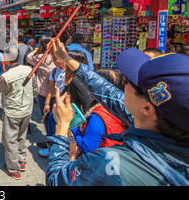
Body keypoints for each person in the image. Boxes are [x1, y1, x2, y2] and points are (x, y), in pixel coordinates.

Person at [46, 40, 189, 186]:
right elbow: (109, 93)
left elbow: (55, 180)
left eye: (127, 81)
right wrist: (68, 59)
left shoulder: (108, 162)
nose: (122, 84)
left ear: (147, 109)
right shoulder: (162, 122)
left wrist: (62, 127)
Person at [0, 45, 38, 180]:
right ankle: (21, 161)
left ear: (6, 59)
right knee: (22, 136)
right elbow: (35, 90)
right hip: (27, 109)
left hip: (13, 111)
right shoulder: (29, 69)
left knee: (10, 140)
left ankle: (13, 168)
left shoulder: (7, 76)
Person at [71, 69, 127, 156]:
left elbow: (88, 148)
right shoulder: (123, 108)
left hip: (100, 163)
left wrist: (73, 126)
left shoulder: (98, 116)